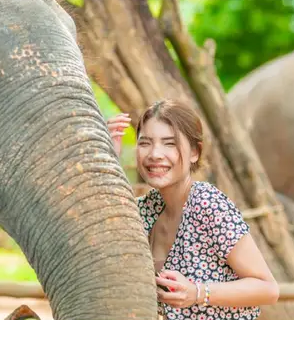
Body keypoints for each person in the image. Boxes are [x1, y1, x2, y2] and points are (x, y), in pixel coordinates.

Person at [107, 98, 279, 320]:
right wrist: (109, 157)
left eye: (169, 143)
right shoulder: (147, 208)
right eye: (145, 143)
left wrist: (198, 293)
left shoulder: (207, 203)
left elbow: (268, 289)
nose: (154, 154)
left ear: (195, 153)